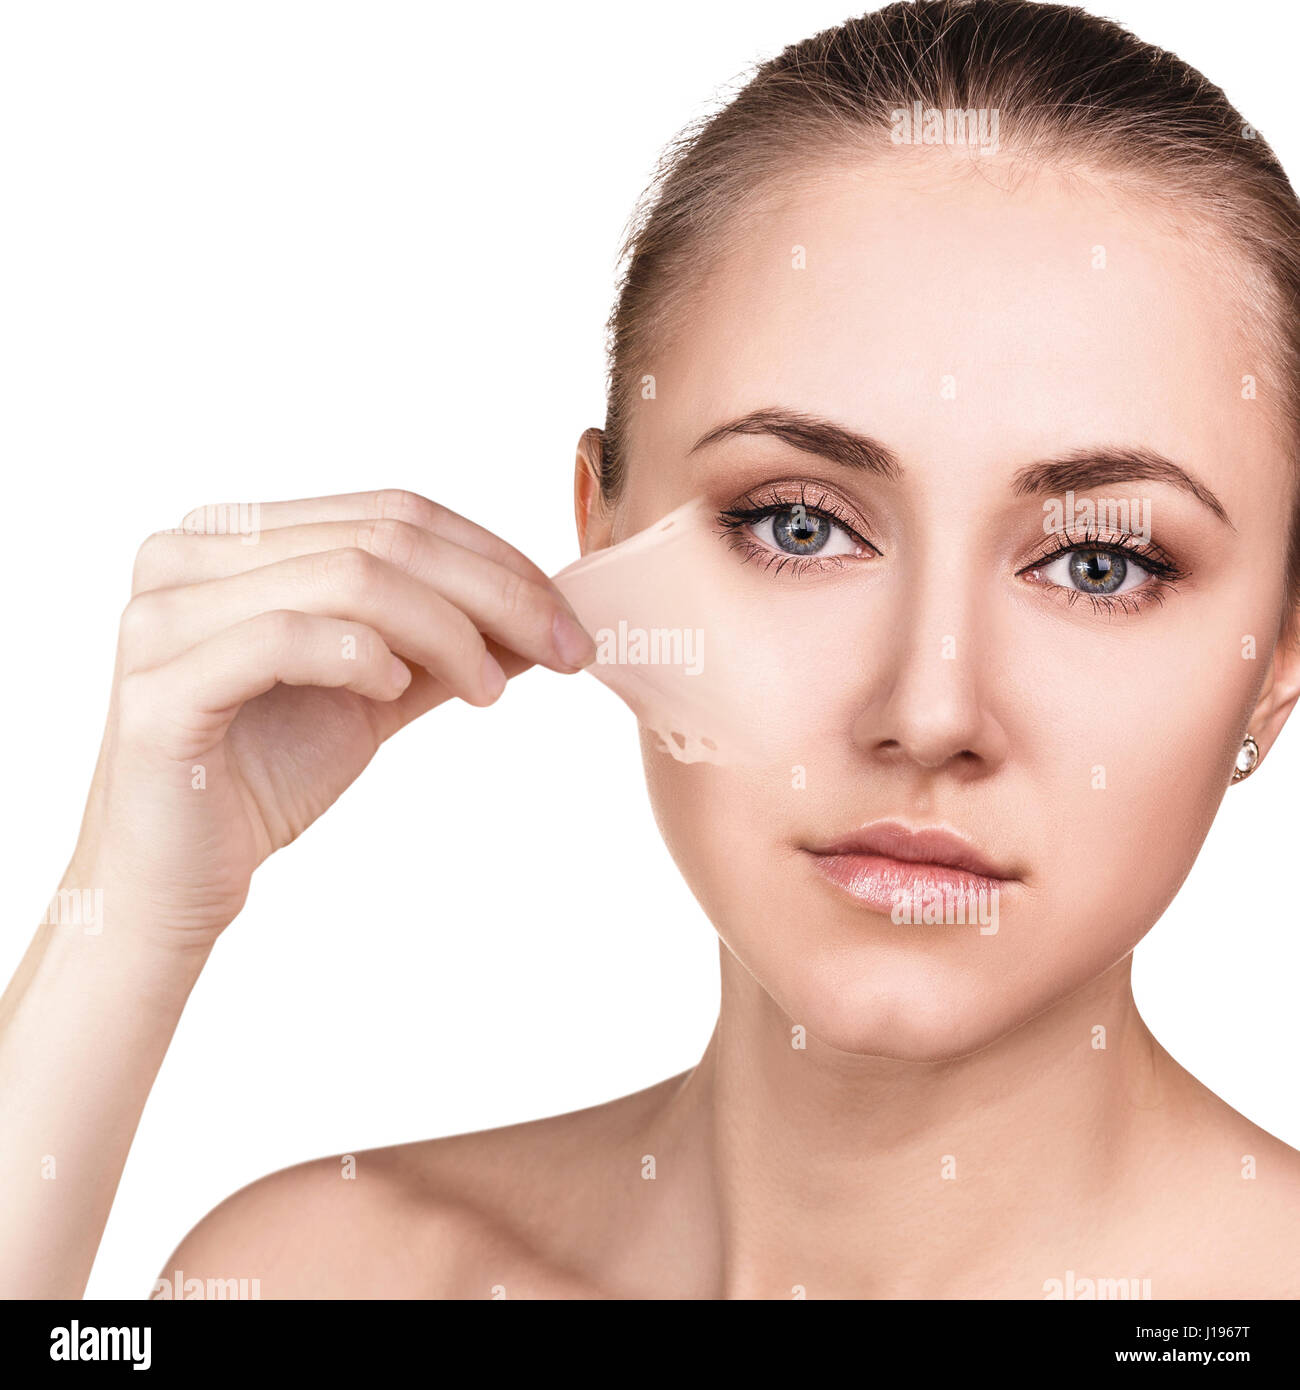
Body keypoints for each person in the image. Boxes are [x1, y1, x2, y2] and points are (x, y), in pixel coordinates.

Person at [4, 0, 1299, 1299]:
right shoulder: (321, 1274)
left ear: (1280, 655)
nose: (931, 706)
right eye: (801, 526)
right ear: (602, 545)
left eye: (1100, 563)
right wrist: (128, 920)